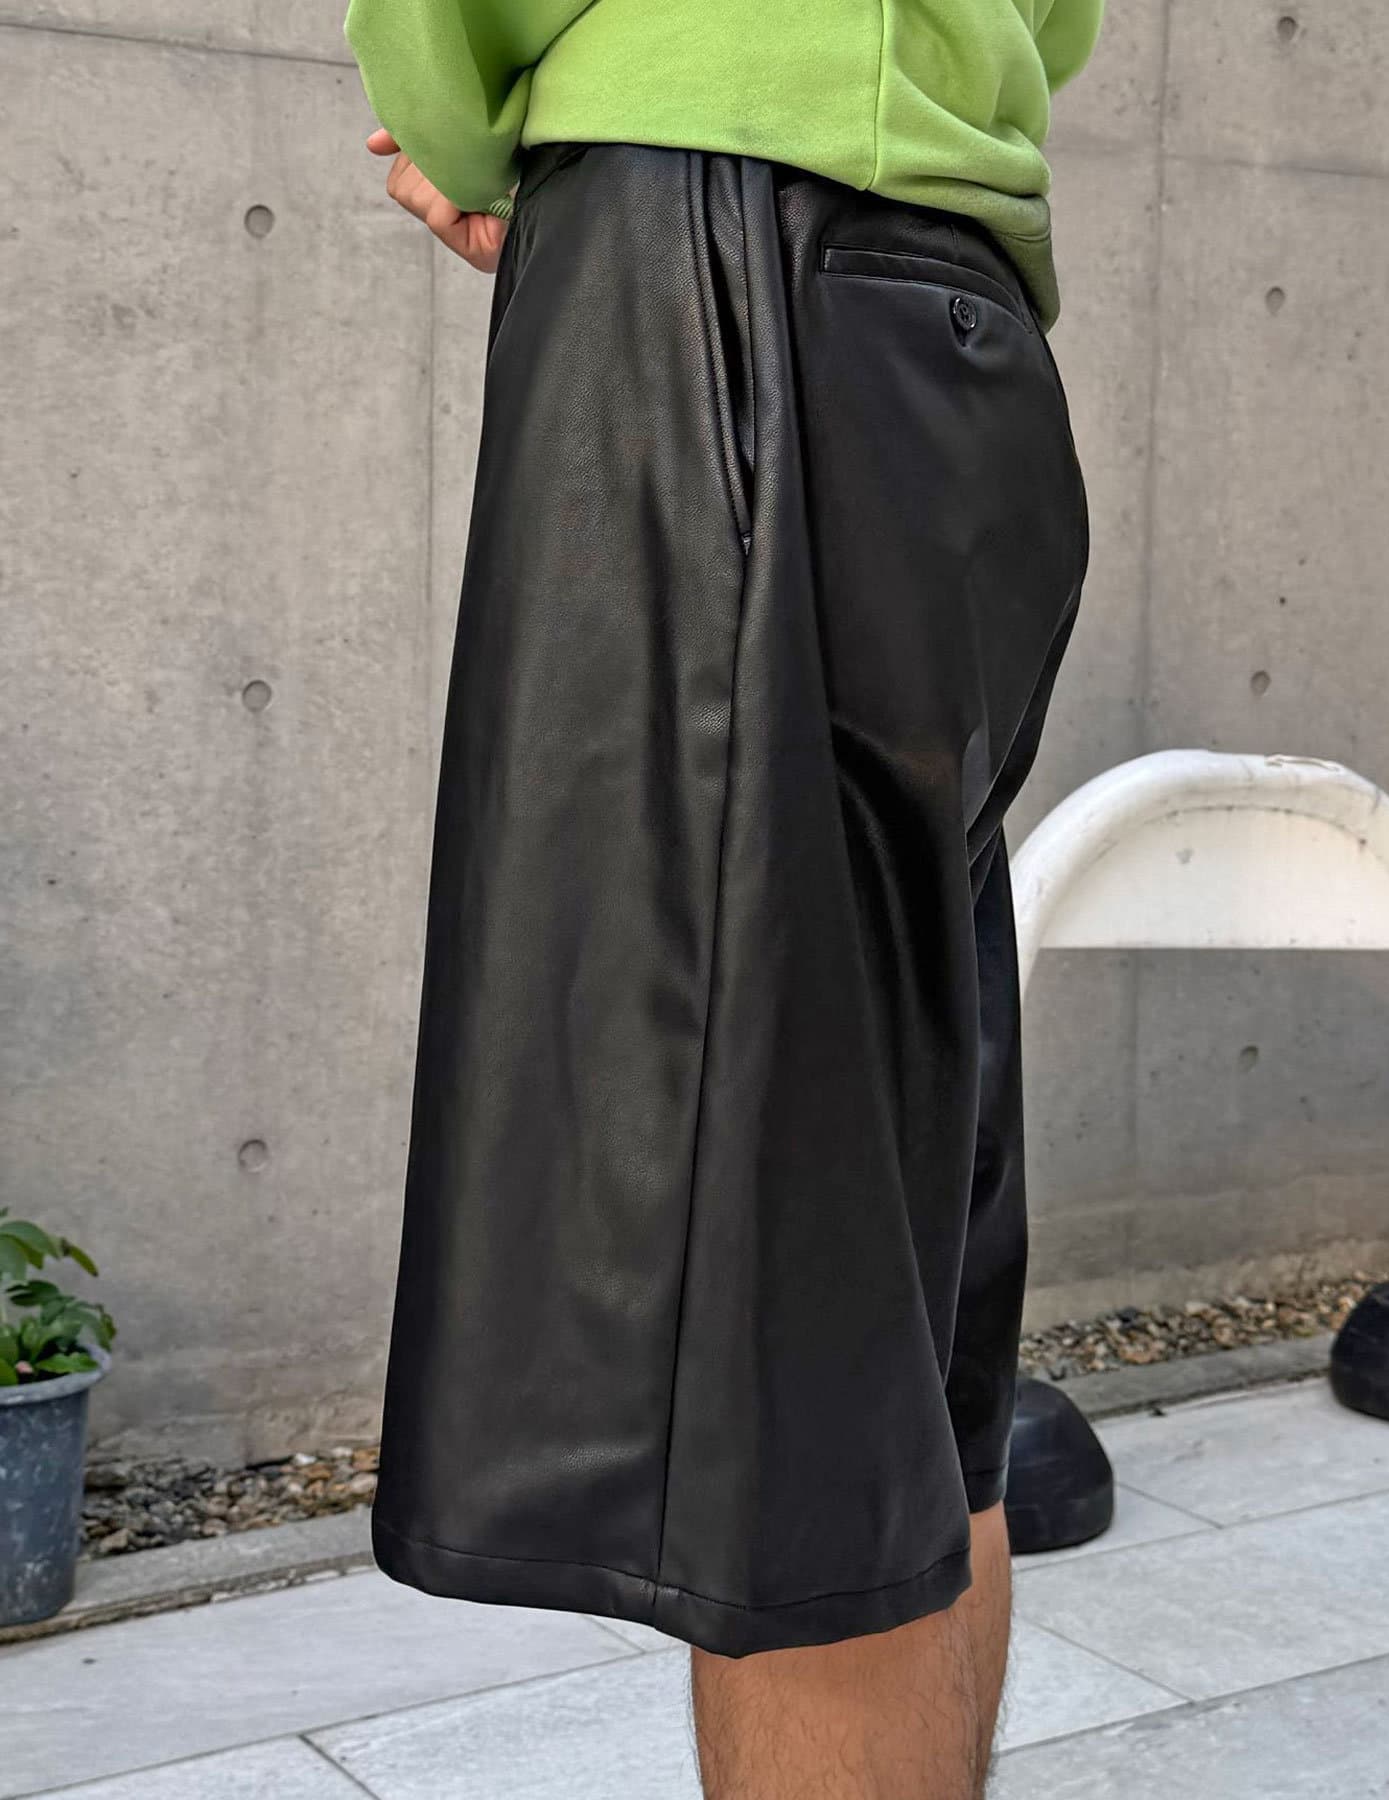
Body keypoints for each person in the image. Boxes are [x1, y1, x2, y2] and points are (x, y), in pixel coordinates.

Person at [344, 4, 1102, 1794]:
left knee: (787, 1405)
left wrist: (458, 134)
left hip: (723, 287)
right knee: (897, 1332)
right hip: (948, 317)